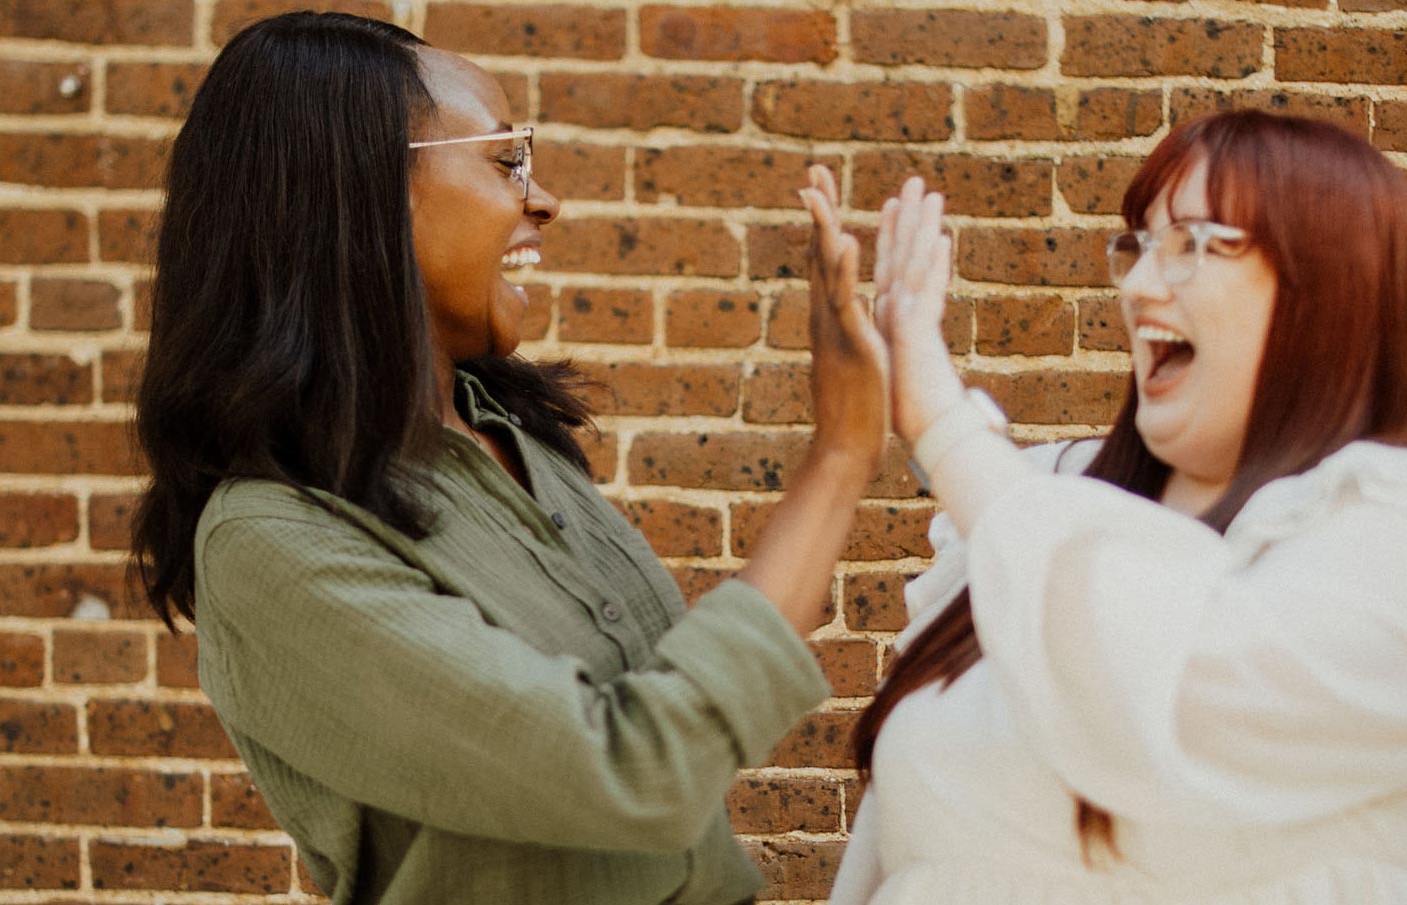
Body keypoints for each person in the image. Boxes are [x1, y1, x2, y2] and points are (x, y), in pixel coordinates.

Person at [131, 12, 887, 905]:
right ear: (362, 188)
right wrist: (839, 455)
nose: (544, 199)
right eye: (507, 158)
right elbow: (635, 771)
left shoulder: (512, 435)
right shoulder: (271, 537)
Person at [818, 110, 1407, 903]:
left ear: (1324, 287)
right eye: (1139, 245)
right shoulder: (1039, 510)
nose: (1142, 284)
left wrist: (947, 427)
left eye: (1192, 244)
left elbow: (1175, 699)